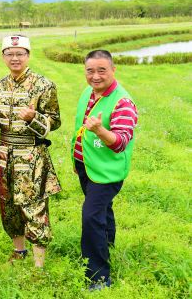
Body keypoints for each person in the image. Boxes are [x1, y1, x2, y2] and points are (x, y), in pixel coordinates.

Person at [0, 35, 61, 267]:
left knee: (33, 206)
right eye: (10, 54)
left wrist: (33, 117)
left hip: (31, 156)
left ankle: (39, 265)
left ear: (28, 55)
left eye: (20, 54)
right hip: (5, 155)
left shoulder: (43, 85)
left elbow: (54, 122)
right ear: (3, 56)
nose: (15, 58)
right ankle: (19, 251)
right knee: (8, 207)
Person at [72, 50, 138, 291]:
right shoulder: (87, 92)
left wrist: (99, 130)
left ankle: (98, 278)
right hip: (88, 167)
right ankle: (107, 244)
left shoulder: (123, 102)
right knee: (101, 210)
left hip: (107, 172)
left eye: (102, 70)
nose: (95, 76)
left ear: (113, 70)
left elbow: (120, 142)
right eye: (90, 70)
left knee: (91, 216)